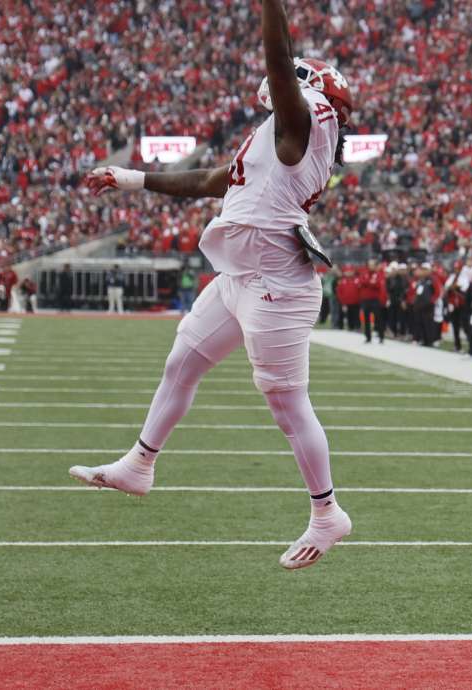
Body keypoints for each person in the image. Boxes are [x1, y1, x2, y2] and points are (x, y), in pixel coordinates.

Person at [72, 0, 355, 570]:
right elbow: (211, 179)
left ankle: (328, 513)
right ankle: (139, 464)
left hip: (277, 280)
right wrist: (132, 179)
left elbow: (278, 63)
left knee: (285, 403)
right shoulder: (280, 135)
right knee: (183, 361)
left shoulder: (307, 119)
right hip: (242, 273)